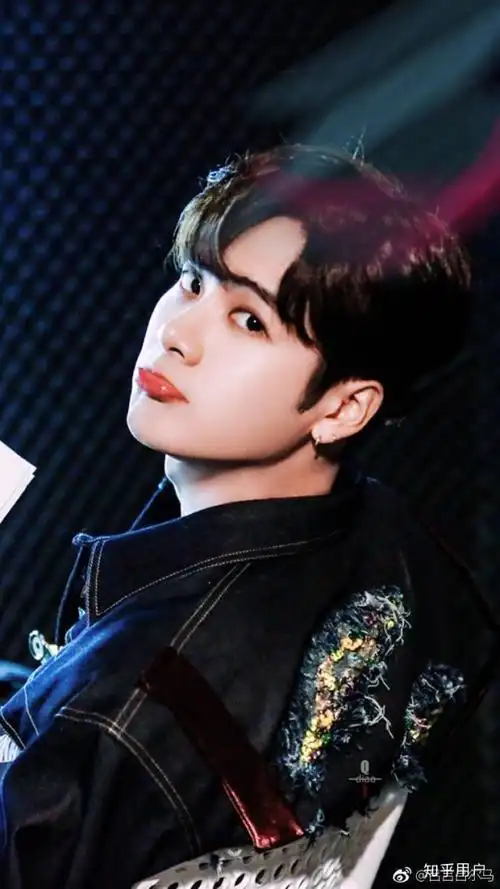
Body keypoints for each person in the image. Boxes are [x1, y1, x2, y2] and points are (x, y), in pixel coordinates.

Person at [0, 143, 475, 888]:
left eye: (249, 320)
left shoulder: (122, 706)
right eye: (193, 281)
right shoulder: (405, 552)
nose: (178, 333)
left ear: (344, 406)